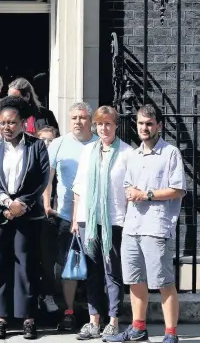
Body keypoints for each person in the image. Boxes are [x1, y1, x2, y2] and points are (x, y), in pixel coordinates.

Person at [106, 105, 186, 343]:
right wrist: (132, 192)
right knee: (135, 280)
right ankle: (138, 328)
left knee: (164, 283)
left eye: (149, 123)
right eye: (141, 123)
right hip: (132, 227)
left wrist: (147, 194)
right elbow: (128, 186)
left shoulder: (170, 153)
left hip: (156, 227)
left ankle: (171, 333)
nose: (144, 127)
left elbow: (179, 189)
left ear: (159, 126)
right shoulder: (132, 155)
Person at [0, 96, 50, 340]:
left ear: (22, 124)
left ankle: (28, 319)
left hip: (28, 215)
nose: (7, 127)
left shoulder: (36, 146)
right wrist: (8, 203)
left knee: (26, 267)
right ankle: (0, 319)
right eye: (2, 123)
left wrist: (23, 203)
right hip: (0, 214)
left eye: (12, 123)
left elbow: (42, 179)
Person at [72, 106, 132, 341]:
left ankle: (114, 320)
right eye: (99, 124)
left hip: (114, 221)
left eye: (108, 123)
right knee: (93, 272)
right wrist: (76, 219)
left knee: (112, 272)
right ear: (94, 126)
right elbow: (78, 188)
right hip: (88, 219)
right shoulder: (88, 151)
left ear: (116, 125)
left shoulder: (127, 153)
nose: (103, 128)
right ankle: (93, 320)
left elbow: (128, 190)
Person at [42, 102, 98, 330]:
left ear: (90, 120)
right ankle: (69, 311)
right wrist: (47, 203)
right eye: (74, 117)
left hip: (95, 215)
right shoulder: (58, 143)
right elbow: (48, 176)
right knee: (69, 265)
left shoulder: (98, 143)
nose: (78, 121)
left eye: (83, 117)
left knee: (95, 264)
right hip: (66, 214)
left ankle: (96, 312)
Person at [35, 126, 60, 314]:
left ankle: (48, 294)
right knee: (37, 259)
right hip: (35, 217)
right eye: (42, 140)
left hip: (56, 216)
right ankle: (37, 295)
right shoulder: (33, 161)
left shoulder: (60, 164)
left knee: (50, 260)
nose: (46, 144)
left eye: (50, 140)